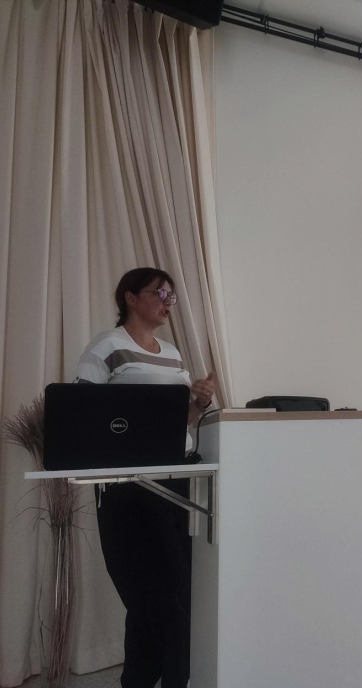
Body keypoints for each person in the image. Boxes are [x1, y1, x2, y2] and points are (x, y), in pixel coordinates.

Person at [75, 267, 215, 688]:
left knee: (176, 589)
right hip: (129, 486)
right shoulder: (106, 346)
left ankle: (161, 677)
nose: (168, 302)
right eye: (160, 293)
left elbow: (178, 422)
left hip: (176, 479)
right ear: (131, 298)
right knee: (148, 592)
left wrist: (198, 404)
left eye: (172, 295)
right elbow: (82, 412)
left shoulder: (172, 354)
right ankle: (150, 676)